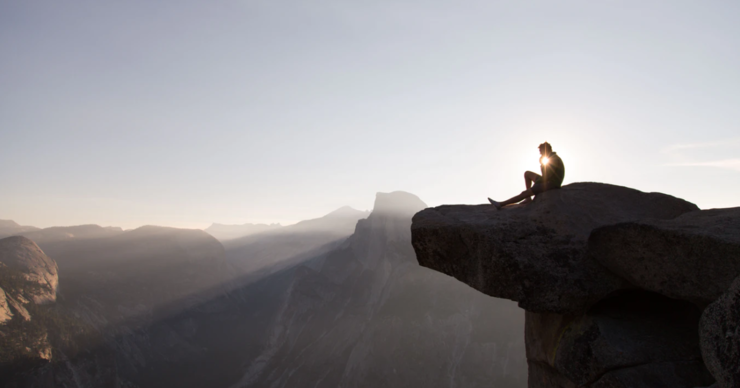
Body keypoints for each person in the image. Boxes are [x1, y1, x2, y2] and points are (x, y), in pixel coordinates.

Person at [488, 142, 565, 210]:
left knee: (524, 193)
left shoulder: (553, 159)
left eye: (541, 152)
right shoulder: (551, 158)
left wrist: (541, 166)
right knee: (527, 173)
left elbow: (547, 177)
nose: (540, 154)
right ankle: (528, 198)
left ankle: (500, 204)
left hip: (551, 183)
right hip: (547, 180)